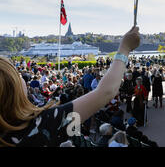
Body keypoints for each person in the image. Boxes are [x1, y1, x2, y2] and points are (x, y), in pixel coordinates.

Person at [0, 26, 140, 147]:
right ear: (13, 89)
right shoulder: (41, 125)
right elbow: (107, 91)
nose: (23, 78)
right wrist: (125, 48)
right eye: (18, 75)